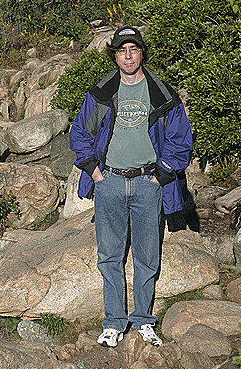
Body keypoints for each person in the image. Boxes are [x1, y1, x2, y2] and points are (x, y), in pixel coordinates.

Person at [70, 26, 192, 348]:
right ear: (115, 55)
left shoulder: (163, 95)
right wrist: (96, 174)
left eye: (133, 49)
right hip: (108, 181)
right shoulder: (101, 92)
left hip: (148, 183)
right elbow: (80, 133)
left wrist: (161, 175)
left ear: (141, 53)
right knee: (109, 255)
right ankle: (113, 322)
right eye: (122, 50)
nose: (128, 55)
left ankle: (143, 321)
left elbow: (180, 141)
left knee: (147, 256)